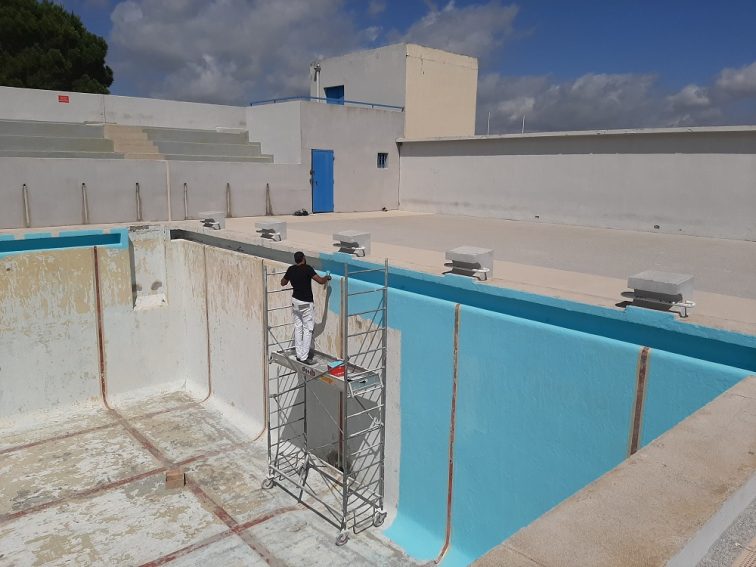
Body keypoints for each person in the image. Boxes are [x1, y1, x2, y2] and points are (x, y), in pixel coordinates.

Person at [281, 251, 331, 364]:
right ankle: (304, 357)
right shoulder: (307, 269)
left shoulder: (291, 269)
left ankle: (299, 354)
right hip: (306, 303)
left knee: (298, 327)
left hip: (295, 302)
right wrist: (327, 277)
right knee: (308, 329)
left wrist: (288, 276)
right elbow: (320, 281)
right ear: (303, 258)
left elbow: (283, 283)